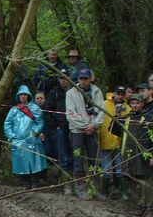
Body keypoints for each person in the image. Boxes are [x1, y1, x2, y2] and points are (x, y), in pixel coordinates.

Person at [65, 68, 103, 197]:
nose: (83, 81)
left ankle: (95, 189)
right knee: (78, 159)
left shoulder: (97, 91)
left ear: (90, 79)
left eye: (85, 78)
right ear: (78, 79)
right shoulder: (71, 93)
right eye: (81, 78)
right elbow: (70, 114)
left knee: (94, 159)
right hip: (77, 130)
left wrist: (94, 125)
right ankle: (80, 189)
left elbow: (101, 111)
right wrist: (86, 125)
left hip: (93, 129)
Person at [111, 93, 153, 206]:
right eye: (133, 103)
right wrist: (117, 116)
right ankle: (137, 205)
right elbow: (113, 130)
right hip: (127, 156)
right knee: (129, 179)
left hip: (142, 156)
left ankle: (147, 206)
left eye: (137, 103)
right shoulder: (126, 118)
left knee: (145, 181)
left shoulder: (148, 119)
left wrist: (152, 156)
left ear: (142, 104)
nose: (135, 106)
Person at [4, 85, 47, 189]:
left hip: (32, 140)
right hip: (18, 141)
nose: (23, 96)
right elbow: (7, 124)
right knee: (21, 161)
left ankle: (35, 181)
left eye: (25, 94)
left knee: (35, 161)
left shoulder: (34, 108)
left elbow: (40, 123)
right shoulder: (14, 110)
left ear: (28, 96)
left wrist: (34, 135)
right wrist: (12, 137)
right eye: (21, 94)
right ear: (18, 96)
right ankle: (24, 182)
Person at [98, 86, 128, 199]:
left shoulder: (128, 107)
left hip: (120, 143)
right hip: (105, 141)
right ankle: (104, 193)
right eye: (118, 93)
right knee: (107, 170)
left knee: (120, 170)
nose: (120, 96)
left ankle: (122, 192)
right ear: (114, 93)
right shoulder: (104, 104)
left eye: (122, 94)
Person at [43, 70, 73, 182]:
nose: (63, 80)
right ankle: (64, 182)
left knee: (73, 154)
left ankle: (73, 180)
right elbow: (47, 111)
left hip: (73, 127)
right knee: (62, 154)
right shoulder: (54, 92)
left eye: (65, 78)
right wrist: (55, 126)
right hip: (59, 129)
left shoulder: (75, 91)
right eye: (61, 78)